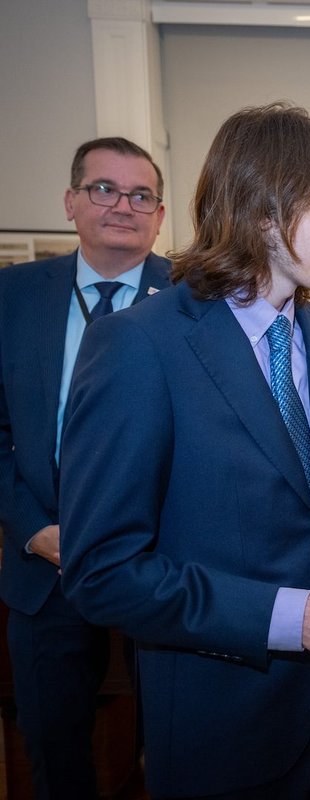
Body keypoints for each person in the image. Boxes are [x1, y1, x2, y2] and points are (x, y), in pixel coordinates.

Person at [58, 103, 310, 799]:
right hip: (220, 728)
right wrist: (290, 618)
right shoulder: (142, 345)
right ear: (265, 208)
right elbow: (103, 572)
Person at [0, 136, 171, 799]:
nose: (121, 205)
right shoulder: (12, 296)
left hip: (159, 564)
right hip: (44, 567)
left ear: (159, 215)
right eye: (103, 188)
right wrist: (33, 529)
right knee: (53, 750)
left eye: (141, 195)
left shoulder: (193, 298)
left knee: (172, 743)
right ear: (71, 201)